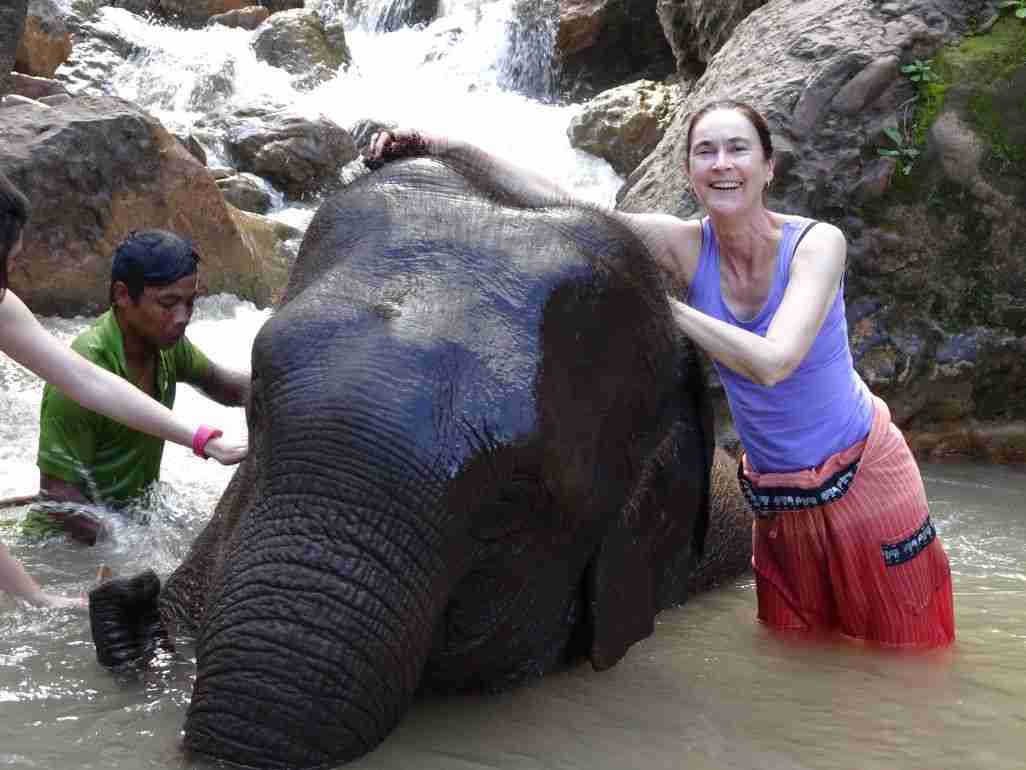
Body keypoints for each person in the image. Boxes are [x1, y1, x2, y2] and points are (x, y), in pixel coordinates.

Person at [365, 103, 955, 648]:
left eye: (738, 149)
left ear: (768, 167)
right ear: (691, 172)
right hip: (776, 497)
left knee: (908, 655)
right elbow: (565, 204)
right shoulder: (687, 247)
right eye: (706, 152)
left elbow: (775, 361)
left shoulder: (816, 244)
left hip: (863, 478)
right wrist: (439, 144)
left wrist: (661, 303)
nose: (722, 165)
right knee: (798, 653)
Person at [0, 171, 245, 607]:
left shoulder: (2, 307)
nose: (10, 277)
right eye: (8, 262)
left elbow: (89, 383)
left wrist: (202, 440)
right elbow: (59, 498)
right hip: (63, 540)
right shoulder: (97, 347)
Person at [33, 228, 251, 542]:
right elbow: (55, 494)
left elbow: (221, 384)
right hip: (63, 546)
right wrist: (124, 544)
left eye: (190, 303)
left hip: (129, 522)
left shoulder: (167, 345)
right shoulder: (82, 369)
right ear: (123, 295)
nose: (182, 317)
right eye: (168, 303)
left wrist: (287, 385)